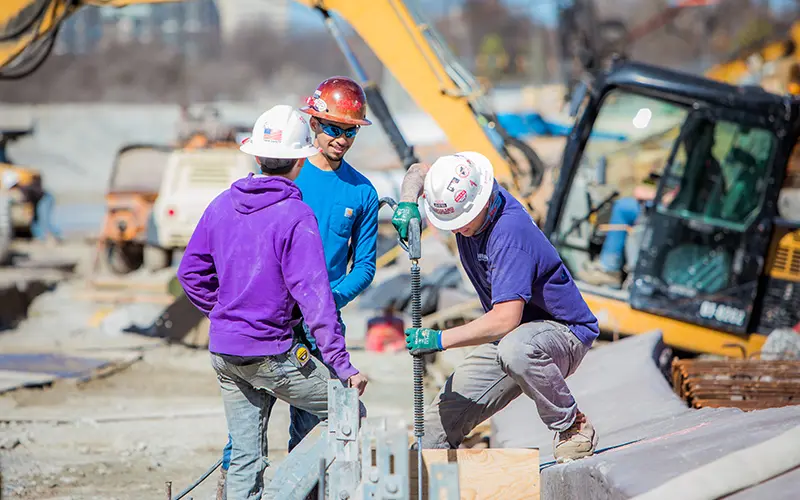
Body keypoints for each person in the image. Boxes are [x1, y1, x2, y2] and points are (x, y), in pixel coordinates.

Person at [177, 104, 368, 499]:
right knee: (347, 413)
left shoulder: (221, 204)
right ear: (299, 161)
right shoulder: (295, 215)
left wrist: (226, 314)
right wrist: (343, 367)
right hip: (271, 354)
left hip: (225, 354)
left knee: (246, 455)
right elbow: (315, 301)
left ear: (257, 155)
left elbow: (189, 274)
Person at [217, 78, 381, 496]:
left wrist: (326, 300)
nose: (342, 139)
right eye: (333, 128)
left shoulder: (362, 192)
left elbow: (363, 267)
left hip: (319, 328)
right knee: (246, 438)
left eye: (351, 131)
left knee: (314, 435)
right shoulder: (285, 171)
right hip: (268, 323)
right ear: (313, 122)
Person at [391, 151, 600, 463]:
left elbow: (505, 319)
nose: (456, 230)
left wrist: (438, 340)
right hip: (513, 335)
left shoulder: (508, 235)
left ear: (482, 202)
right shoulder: (466, 186)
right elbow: (419, 171)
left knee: (516, 350)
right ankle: (429, 474)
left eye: (461, 223)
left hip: (562, 333)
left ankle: (572, 426)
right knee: (436, 425)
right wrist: (409, 202)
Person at [1, 169, 62, 243]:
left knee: (44, 220)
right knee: (34, 221)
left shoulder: (24, 189)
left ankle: (56, 236)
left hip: (45, 199)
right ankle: (41, 238)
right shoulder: (22, 189)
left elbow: (25, 200)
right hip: (39, 201)